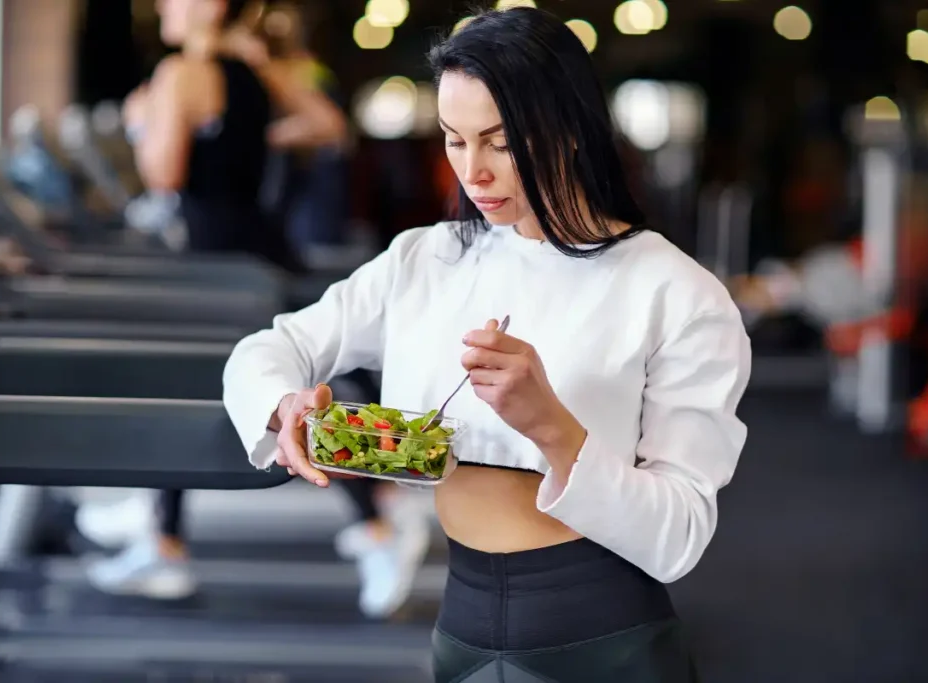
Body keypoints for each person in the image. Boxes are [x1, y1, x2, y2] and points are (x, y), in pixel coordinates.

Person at [222, 7, 751, 681]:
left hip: (601, 634)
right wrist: (284, 405)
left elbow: (679, 537)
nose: (472, 172)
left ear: (568, 129)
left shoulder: (675, 291)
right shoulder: (426, 259)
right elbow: (267, 349)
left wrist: (553, 427)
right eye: (454, 139)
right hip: (461, 624)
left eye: (500, 143)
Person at [78, 0, 345, 600]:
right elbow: (326, 124)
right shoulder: (255, 66)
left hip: (213, 256)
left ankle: (377, 515)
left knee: (193, 379)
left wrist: (144, 121)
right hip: (259, 247)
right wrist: (250, 138)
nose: (161, 6)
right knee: (236, 381)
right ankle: (163, 537)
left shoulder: (179, 73)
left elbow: (164, 175)